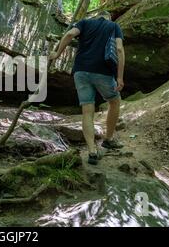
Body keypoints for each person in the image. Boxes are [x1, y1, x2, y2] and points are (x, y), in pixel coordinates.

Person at [49, 11, 125, 165]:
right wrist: (119, 77)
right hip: (103, 72)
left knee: (87, 111)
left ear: (97, 17)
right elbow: (119, 49)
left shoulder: (84, 23)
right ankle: (108, 139)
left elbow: (70, 35)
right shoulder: (114, 26)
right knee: (114, 101)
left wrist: (57, 54)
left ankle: (91, 151)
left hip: (81, 71)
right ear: (107, 18)